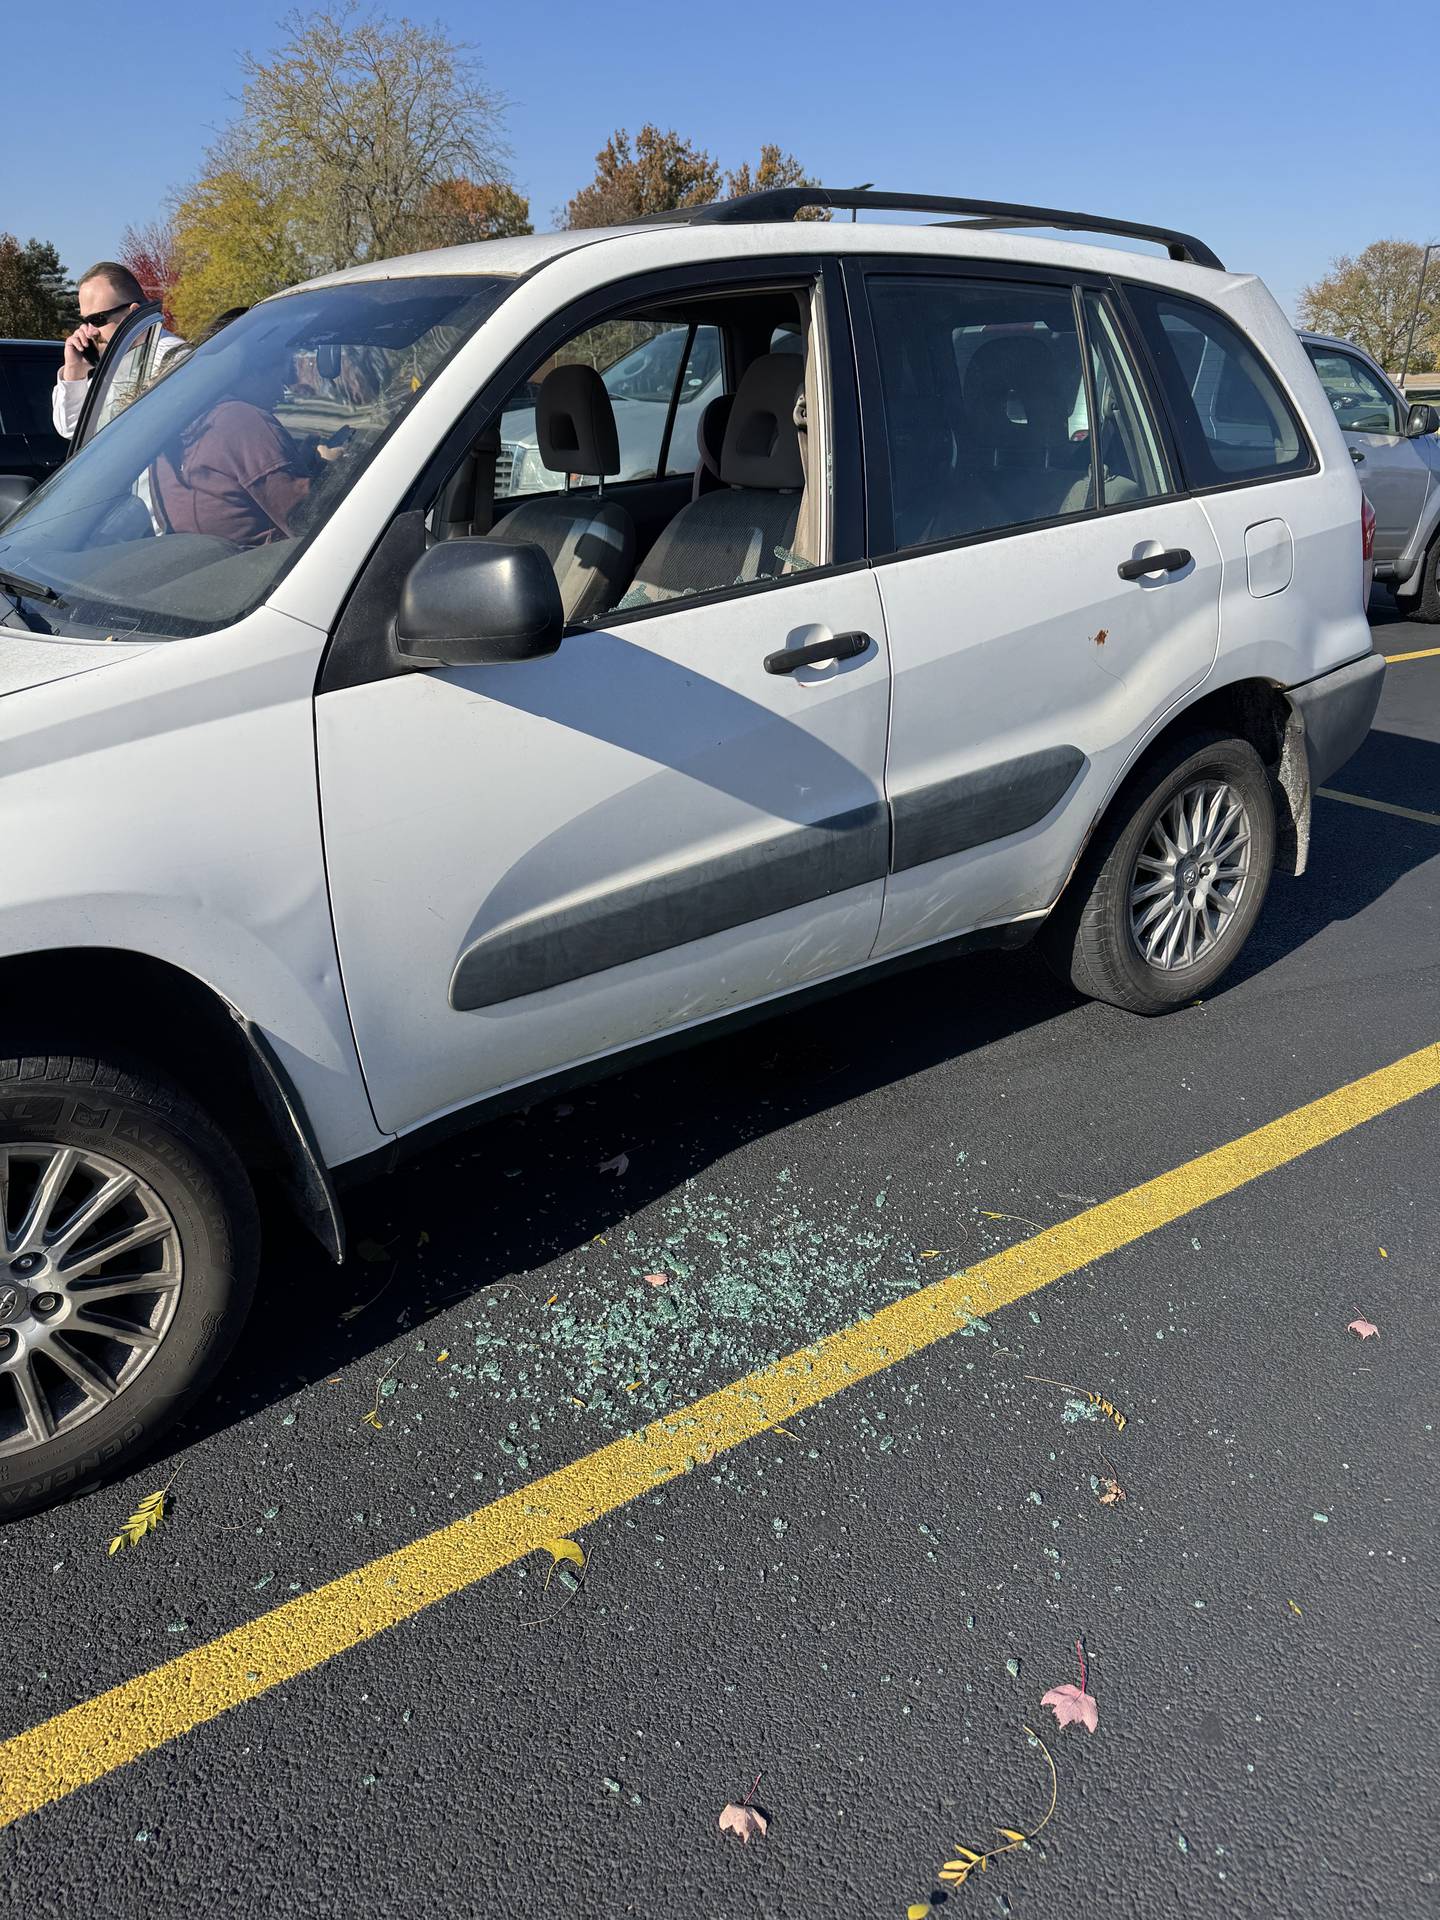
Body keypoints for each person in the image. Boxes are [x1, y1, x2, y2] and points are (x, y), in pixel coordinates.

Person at [53, 260, 185, 440]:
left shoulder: (175, 360)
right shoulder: (117, 360)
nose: (90, 331)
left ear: (133, 313)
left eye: (98, 319)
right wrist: (74, 372)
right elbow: (73, 430)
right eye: (86, 321)